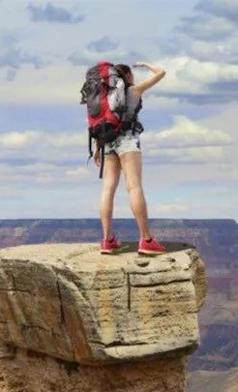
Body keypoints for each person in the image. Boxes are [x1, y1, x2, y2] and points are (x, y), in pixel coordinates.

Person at [95, 61, 167, 255]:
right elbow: (162, 72)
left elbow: (102, 123)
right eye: (131, 75)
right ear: (126, 76)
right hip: (128, 143)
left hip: (108, 144)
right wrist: (145, 64)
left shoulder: (106, 97)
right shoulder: (133, 91)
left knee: (108, 189)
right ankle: (146, 239)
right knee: (134, 187)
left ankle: (107, 240)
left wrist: (97, 148)